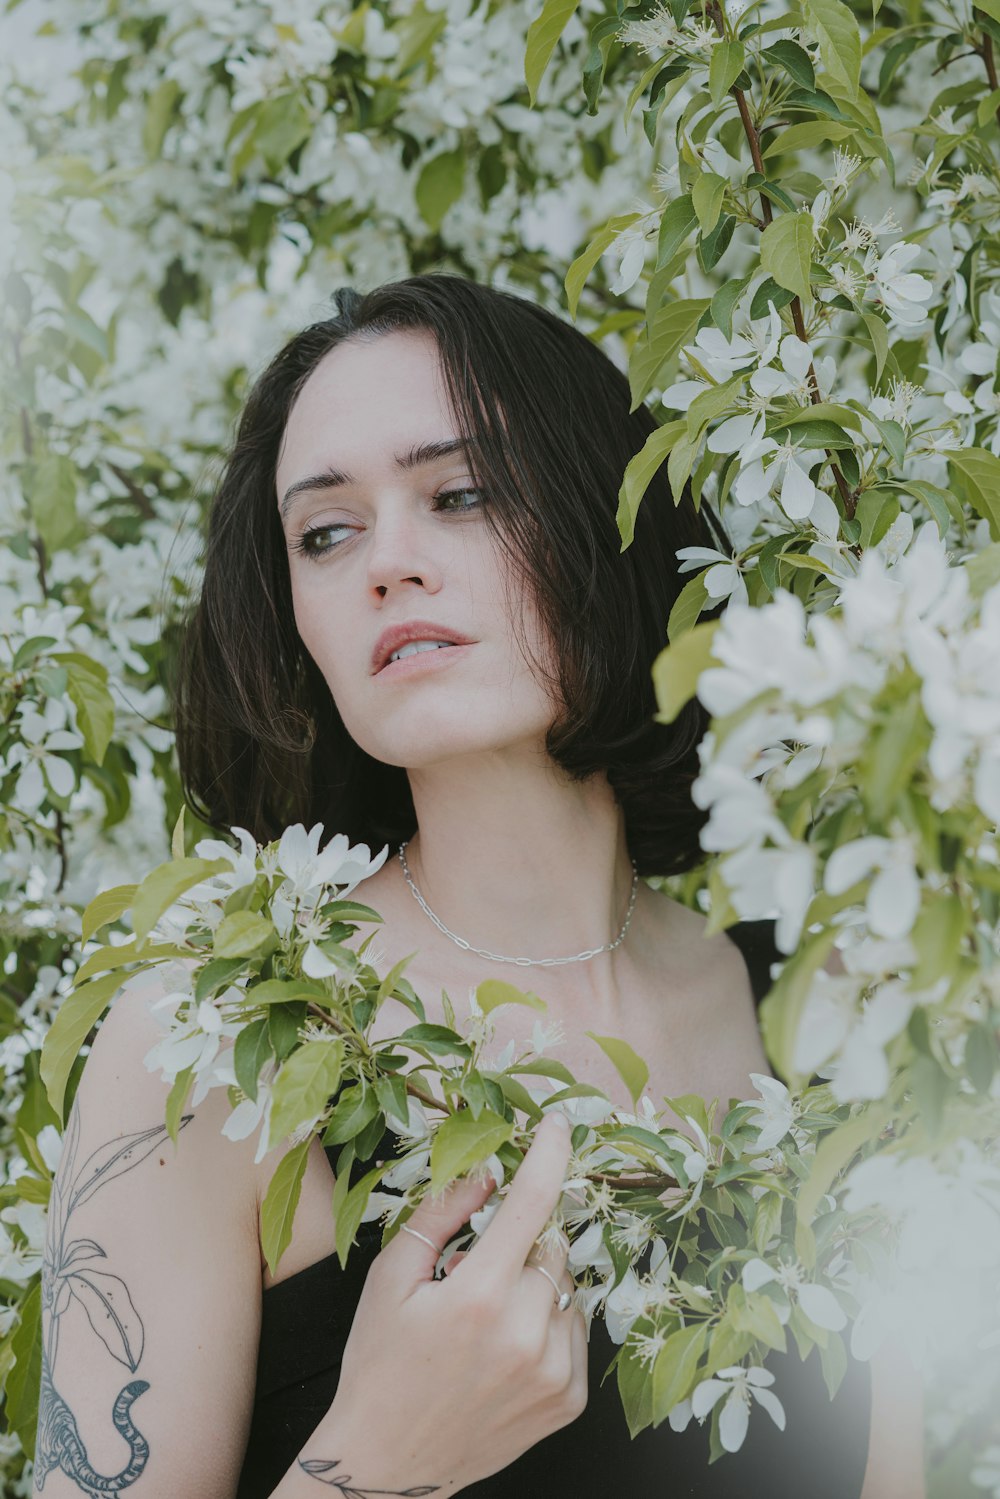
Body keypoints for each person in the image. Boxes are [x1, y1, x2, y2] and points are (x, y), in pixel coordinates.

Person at [35, 274, 921, 1499]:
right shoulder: (210, 1044)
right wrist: (382, 1456)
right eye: (325, 532)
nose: (386, 564)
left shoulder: (822, 1021)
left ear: (607, 522)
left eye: (460, 494)